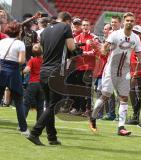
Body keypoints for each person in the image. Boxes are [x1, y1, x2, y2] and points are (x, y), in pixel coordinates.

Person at [89, 12, 141, 136]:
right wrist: (103, 48)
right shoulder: (115, 35)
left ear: (134, 23)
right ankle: (93, 116)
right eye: (127, 20)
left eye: (132, 21)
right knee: (105, 96)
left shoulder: (136, 38)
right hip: (111, 70)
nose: (130, 22)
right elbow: (104, 50)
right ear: (124, 22)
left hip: (124, 72)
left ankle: (121, 127)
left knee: (124, 98)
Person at [26, 12, 83, 145]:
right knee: (54, 106)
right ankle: (35, 133)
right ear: (67, 21)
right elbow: (71, 47)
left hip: (44, 71)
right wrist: (77, 51)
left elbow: (48, 50)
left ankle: (52, 137)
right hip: (56, 71)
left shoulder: (45, 31)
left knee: (49, 105)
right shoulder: (65, 27)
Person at [0, 21, 29, 135]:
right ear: (18, 31)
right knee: (18, 101)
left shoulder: (1, 41)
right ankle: (23, 128)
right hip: (12, 72)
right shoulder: (20, 44)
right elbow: (21, 60)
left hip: (1, 69)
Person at [101, 15, 122, 121]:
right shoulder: (111, 34)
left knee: (120, 92)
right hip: (110, 65)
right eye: (112, 22)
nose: (113, 24)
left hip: (120, 66)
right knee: (108, 91)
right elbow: (105, 51)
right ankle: (112, 113)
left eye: (115, 22)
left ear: (120, 23)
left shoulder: (123, 34)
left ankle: (120, 115)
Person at [127, 25, 141, 125]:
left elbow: (140, 61)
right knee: (132, 94)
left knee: (136, 94)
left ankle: (136, 117)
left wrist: (135, 75)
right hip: (132, 72)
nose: (134, 33)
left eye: (136, 32)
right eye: (133, 31)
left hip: (138, 73)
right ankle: (135, 116)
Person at [23, 43, 44, 121]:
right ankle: (39, 125)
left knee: (26, 104)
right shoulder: (45, 61)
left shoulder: (32, 60)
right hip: (42, 84)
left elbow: (26, 70)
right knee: (40, 106)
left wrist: (23, 69)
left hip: (33, 83)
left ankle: (22, 123)